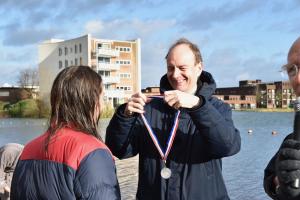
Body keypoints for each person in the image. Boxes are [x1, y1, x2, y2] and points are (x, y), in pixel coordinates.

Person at [106, 38, 241, 200]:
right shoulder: (149, 108)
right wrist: (125, 116)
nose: (176, 75)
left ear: (199, 68)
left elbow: (228, 147)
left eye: (182, 68)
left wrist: (197, 106)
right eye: (171, 68)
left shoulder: (217, 108)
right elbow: (120, 150)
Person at [10, 66, 121, 200]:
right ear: (91, 101)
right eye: (103, 97)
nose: (103, 105)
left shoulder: (28, 148)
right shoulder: (92, 151)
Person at [264, 37, 300, 200]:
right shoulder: (293, 138)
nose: (297, 79)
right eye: (292, 70)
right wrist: (282, 182)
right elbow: (271, 178)